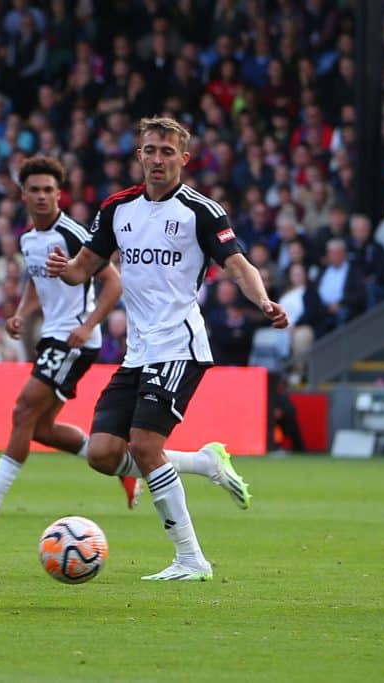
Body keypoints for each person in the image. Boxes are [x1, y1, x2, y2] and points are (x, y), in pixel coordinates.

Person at [47, 118, 289, 581]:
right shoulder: (117, 209)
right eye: (150, 150)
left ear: (184, 158)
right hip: (137, 350)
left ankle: (191, 559)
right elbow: (84, 268)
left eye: (167, 151)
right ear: (139, 154)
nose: (157, 159)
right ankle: (203, 462)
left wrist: (262, 301)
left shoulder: (201, 211)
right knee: (102, 453)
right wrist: (65, 269)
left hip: (179, 344)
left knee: (144, 445)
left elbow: (238, 265)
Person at [0, 156, 140, 515]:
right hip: (53, 336)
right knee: (39, 428)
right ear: (23, 195)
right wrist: (21, 314)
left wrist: (88, 325)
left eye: (48, 190)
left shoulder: (73, 234)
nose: (41, 196)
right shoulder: (29, 239)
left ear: (58, 194)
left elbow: (113, 282)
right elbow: (37, 282)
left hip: (73, 339)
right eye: (34, 190)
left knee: (23, 409)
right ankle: (123, 465)